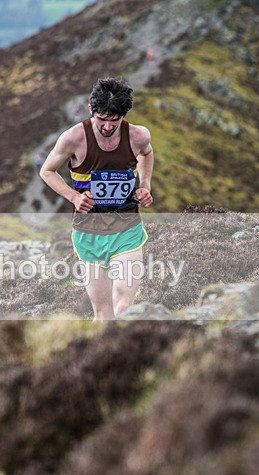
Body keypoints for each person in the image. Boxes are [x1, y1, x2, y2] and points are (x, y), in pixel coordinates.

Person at [40, 77, 154, 320]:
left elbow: (147, 153)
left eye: (115, 121)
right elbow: (47, 171)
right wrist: (74, 197)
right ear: (91, 109)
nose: (108, 127)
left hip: (127, 231)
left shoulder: (138, 136)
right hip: (88, 235)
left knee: (123, 307)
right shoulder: (73, 138)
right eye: (102, 120)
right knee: (103, 314)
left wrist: (145, 184)